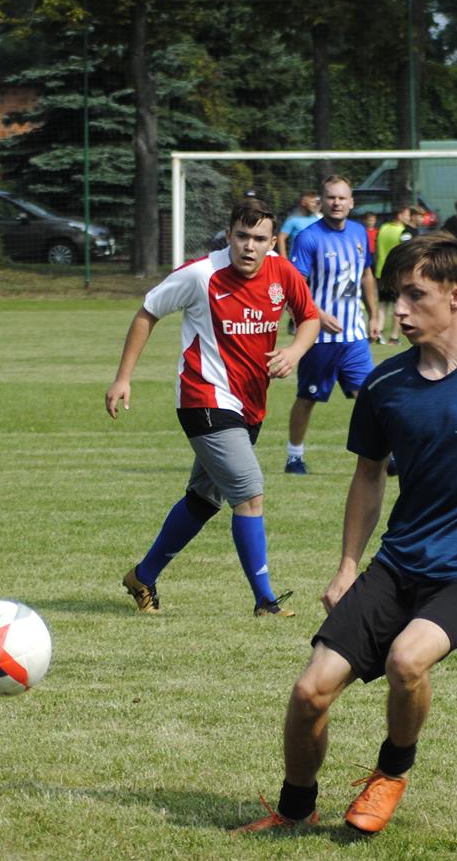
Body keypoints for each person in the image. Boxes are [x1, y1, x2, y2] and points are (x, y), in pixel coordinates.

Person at [234, 234, 457, 837]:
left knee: (406, 659)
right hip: (399, 564)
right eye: (395, 295)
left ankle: (391, 772)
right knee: (310, 693)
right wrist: (347, 567)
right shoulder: (384, 385)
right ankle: (294, 811)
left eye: (414, 296)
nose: (397, 309)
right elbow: (368, 476)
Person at [106, 197, 320, 617]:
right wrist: (123, 377)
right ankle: (265, 601)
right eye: (242, 236)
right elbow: (147, 312)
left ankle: (143, 577)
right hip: (203, 399)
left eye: (260, 238)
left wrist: (295, 350)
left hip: (248, 405)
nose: (249, 246)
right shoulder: (201, 274)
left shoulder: (282, 271)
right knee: (250, 493)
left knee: (204, 499)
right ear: (229, 235)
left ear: (273, 241)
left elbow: (309, 316)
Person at [283, 175, 378, 475]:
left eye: (342, 198)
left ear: (351, 202)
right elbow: (295, 286)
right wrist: (319, 315)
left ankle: (383, 454)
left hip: (354, 336)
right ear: (321, 202)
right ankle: (294, 456)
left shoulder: (360, 233)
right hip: (319, 338)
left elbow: (366, 276)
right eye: (331, 197)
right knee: (308, 397)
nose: (336, 203)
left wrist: (374, 314)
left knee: (370, 396)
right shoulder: (309, 237)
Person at [373, 206, 417, 344]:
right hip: (395, 273)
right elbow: (405, 253)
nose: (409, 218)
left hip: (381, 271)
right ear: (399, 214)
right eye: (407, 214)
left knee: (382, 305)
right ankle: (394, 336)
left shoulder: (383, 228)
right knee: (397, 305)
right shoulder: (403, 231)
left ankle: (378, 333)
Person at [276, 191, 321, 260]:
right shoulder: (293, 219)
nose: (315, 205)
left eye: (316, 202)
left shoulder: (319, 219)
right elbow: (281, 237)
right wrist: (284, 259)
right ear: (303, 203)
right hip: (297, 263)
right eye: (312, 202)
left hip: (316, 262)